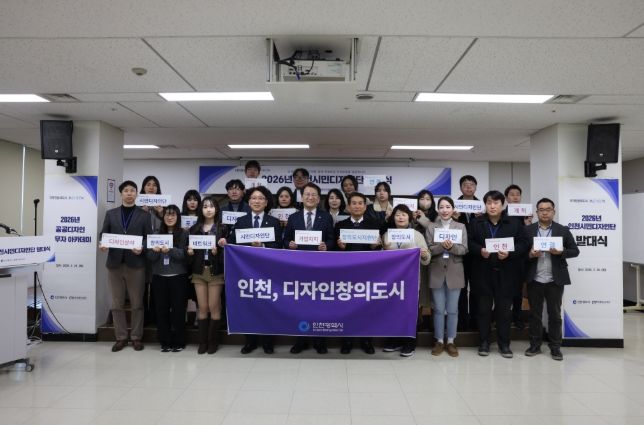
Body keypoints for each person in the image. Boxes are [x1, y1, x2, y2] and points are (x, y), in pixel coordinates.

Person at [468, 190, 530, 358]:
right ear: (485, 205)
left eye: (496, 203)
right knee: (483, 310)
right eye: (489, 203)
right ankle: (484, 342)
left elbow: (524, 243)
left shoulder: (514, 223)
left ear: (503, 205)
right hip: (482, 273)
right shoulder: (476, 222)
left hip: (506, 274)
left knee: (504, 311)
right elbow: (469, 242)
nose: (492, 206)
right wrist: (480, 251)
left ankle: (504, 344)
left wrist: (510, 253)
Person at [224, 186, 282, 354]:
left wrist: (262, 245)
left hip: (267, 272)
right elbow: (233, 243)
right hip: (246, 272)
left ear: (266, 202)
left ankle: (268, 342)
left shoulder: (273, 222)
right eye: (254, 198)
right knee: (249, 306)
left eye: (261, 198)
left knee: (268, 306)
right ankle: (250, 341)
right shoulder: (241, 222)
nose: (257, 201)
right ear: (249, 202)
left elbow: (279, 245)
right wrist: (225, 243)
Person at [283, 183, 336, 355]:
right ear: (302, 197)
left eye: (314, 194)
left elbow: (332, 240)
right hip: (299, 268)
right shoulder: (294, 217)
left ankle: (320, 341)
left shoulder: (326, 217)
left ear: (319, 199)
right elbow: (286, 240)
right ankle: (301, 341)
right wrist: (289, 244)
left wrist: (326, 246)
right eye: (307, 194)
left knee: (320, 305)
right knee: (299, 305)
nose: (310, 197)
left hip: (320, 268)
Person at [525, 198, 579, 361]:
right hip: (535, 279)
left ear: (553, 212)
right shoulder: (528, 230)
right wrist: (530, 254)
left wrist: (560, 252)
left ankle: (555, 347)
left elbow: (575, 251)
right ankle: (535, 345)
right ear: (537, 213)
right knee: (534, 314)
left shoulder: (562, 230)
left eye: (548, 209)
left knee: (555, 315)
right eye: (541, 210)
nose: (545, 212)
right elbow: (520, 253)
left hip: (555, 280)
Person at [99, 180, 151, 352]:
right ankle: (120, 337)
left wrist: (142, 247)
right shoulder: (111, 214)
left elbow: (148, 238)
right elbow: (103, 234)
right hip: (114, 264)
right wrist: (103, 244)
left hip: (136, 264)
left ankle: (136, 337)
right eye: (126, 190)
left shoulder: (144, 215)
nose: (129, 193)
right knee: (116, 304)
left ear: (136, 194)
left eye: (132, 190)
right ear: (121, 194)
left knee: (137, 304)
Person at [335, 192, 381, 354]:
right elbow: (333, 253)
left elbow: (379, 253)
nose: (357, 206)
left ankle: (366, 340)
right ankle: (346, 341)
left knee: (366, 308)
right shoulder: (340, 226)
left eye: (360, 203)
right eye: (353, 203)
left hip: (367, 273)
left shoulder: (374, 224)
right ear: (348, 206)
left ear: (365, 206)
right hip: (346, 273)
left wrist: (375, 247)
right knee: (346, 308)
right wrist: (340, 248)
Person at [381, 204, 430, 357]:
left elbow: (427, 259)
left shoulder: (417, 235)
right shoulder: (387, 235)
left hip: (411, 281)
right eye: (397, 215)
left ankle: (409, 343)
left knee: (409, 312)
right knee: (392, 311)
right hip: (392, 281)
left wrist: (424, 255)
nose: (400, 217)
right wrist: (384, 250)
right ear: (393, 218)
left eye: (403, 214)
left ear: (409, 217)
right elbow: (381, 259)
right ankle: (394, 341)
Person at [426, 196, 468, 357]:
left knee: (452, 309)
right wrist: (440, 246)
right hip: (436, 271)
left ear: (453, 209)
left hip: (455, 271)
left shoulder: (461, 226)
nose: (445, 210)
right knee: (438, 309)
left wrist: (451, 248)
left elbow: (464, 249)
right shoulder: (431, 227)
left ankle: (450, 341)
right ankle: (439, 341)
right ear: (438, 209)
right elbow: (429, 249)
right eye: (442, 207)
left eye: (448, 207)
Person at [147, 205, 189, 352]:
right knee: (161, 310)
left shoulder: (183, 234)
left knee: (178, 310)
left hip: (178, 277)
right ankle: (164, 341)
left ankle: (179, 341)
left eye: (173, 215)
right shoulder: (156, 234)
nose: (170, 217)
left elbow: (184, 255)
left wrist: (170, 249)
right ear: (163, 217)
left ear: (178, 217)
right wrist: (155, 251)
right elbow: (150, 257)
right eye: (167, 215)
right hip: (159, 277)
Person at [187, 196, 225, 354]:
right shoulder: (194, 229)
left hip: (215, 272)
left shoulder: (222, 228)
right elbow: (189, 257)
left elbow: (228, 254)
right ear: (201, 210)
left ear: (216, 209)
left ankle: (213, 342)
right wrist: (190, 252)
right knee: (202, 307)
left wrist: (218, 252)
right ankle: (202, 342)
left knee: (214, 306)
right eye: (205, 207)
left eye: (211, 206)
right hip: (199, 272)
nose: (208, 209)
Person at [504, 184, 531, 330]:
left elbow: (528, 238)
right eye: (512, 194)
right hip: (505, 257)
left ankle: (517, 317)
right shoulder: (502, 214)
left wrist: (527, 224)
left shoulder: (526, 214)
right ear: (506, 198)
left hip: (521, 257)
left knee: (519, 290)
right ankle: (504, 318)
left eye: (518, 194)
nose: (515, 197)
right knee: (505, 290)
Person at [456, 174, 480, 331]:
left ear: (476, 187)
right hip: (459, 254)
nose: (469, 187)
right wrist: (455, 218)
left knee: (476, 288)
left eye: (472, 184)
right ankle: (462, 321)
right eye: (465, 184)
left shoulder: (482, 206)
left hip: (478, 254)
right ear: (461, 188)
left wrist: (481, 218)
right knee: (461, 289)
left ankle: (475, 321)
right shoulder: (454, 206)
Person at [141, 175, 162, 325]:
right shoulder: (137, 206)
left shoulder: (163, 206)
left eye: (154, 185)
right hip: (141, 250)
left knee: (156, 285)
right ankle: (143, 318)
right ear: (143, 187)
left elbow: (169, 226)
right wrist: (141, 212)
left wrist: (161, 212)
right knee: (141, 286)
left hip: (158, 250)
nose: (151, 187)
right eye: (148, 184)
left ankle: (155, 317)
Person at [413, 189, 438, 315]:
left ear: (432, 202)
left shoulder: (437, 215)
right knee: (418, 285)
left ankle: (432, 317)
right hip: (414, 255)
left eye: (428, 199)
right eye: (422, 199)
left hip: (432, 254)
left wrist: (422, 218)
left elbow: (436, 231)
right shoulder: (411, 213)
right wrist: (413, 219)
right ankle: (418, 316)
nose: (424, 201)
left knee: (431, 285)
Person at [181, 189, 201, 328]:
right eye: (189, 199)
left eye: (195, 200)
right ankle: (183, 317)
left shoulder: (202, 218)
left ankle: (199, 317)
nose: (192, 202)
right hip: (182, 258)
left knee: (197, 290)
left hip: (197, 258)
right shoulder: (179, 217)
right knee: (182, 290)